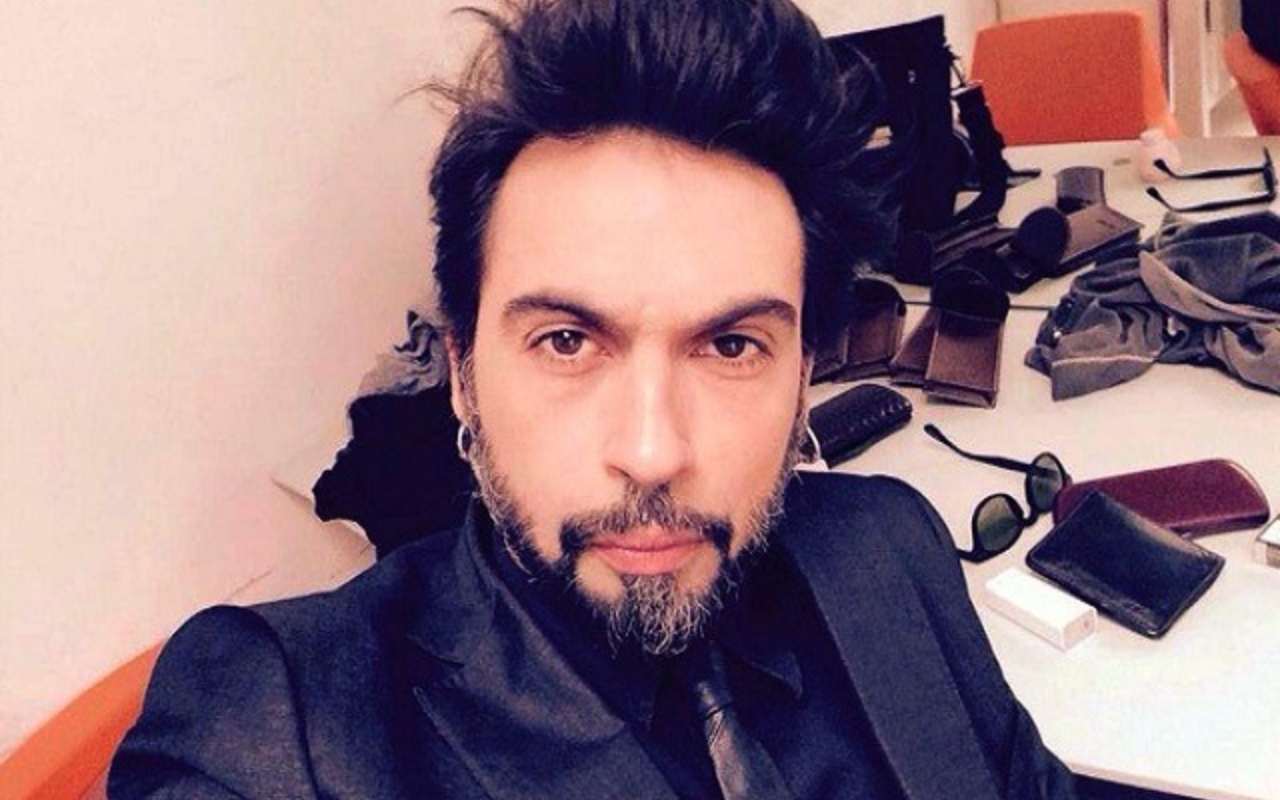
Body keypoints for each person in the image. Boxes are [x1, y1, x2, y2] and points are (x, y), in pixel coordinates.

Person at [109, 1, 1078, 797]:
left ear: (804, 374)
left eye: (730, 345)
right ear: (462, 373)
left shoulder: (890, 547)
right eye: (567, 342)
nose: (652, 452)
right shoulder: (277, 723)